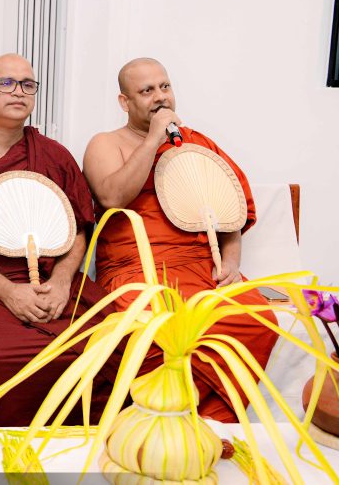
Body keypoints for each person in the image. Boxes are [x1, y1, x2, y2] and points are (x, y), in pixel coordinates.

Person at [81, 57, 278, 422]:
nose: (160, 97)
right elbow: (112, 196)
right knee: (153, 330)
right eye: (147, 90)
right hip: (136, 271)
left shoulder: (196, 144)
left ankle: (207, 425)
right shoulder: (106, 144)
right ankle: (163, 420)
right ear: (124, 102)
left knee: (257, 317)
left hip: (200, 267)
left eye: (165, 86)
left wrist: (231, 261)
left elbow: (228, 210)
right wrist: (153, 139)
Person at [0, 54, 119, 427]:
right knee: (3, 356)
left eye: (28, 84)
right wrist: (7, 291)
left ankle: (86, 450)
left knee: (114, 341)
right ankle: (11, 451)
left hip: (53, 280)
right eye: (6, 83)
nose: (18, 91)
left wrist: (62, 280)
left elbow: (78, 227)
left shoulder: (54, 155)